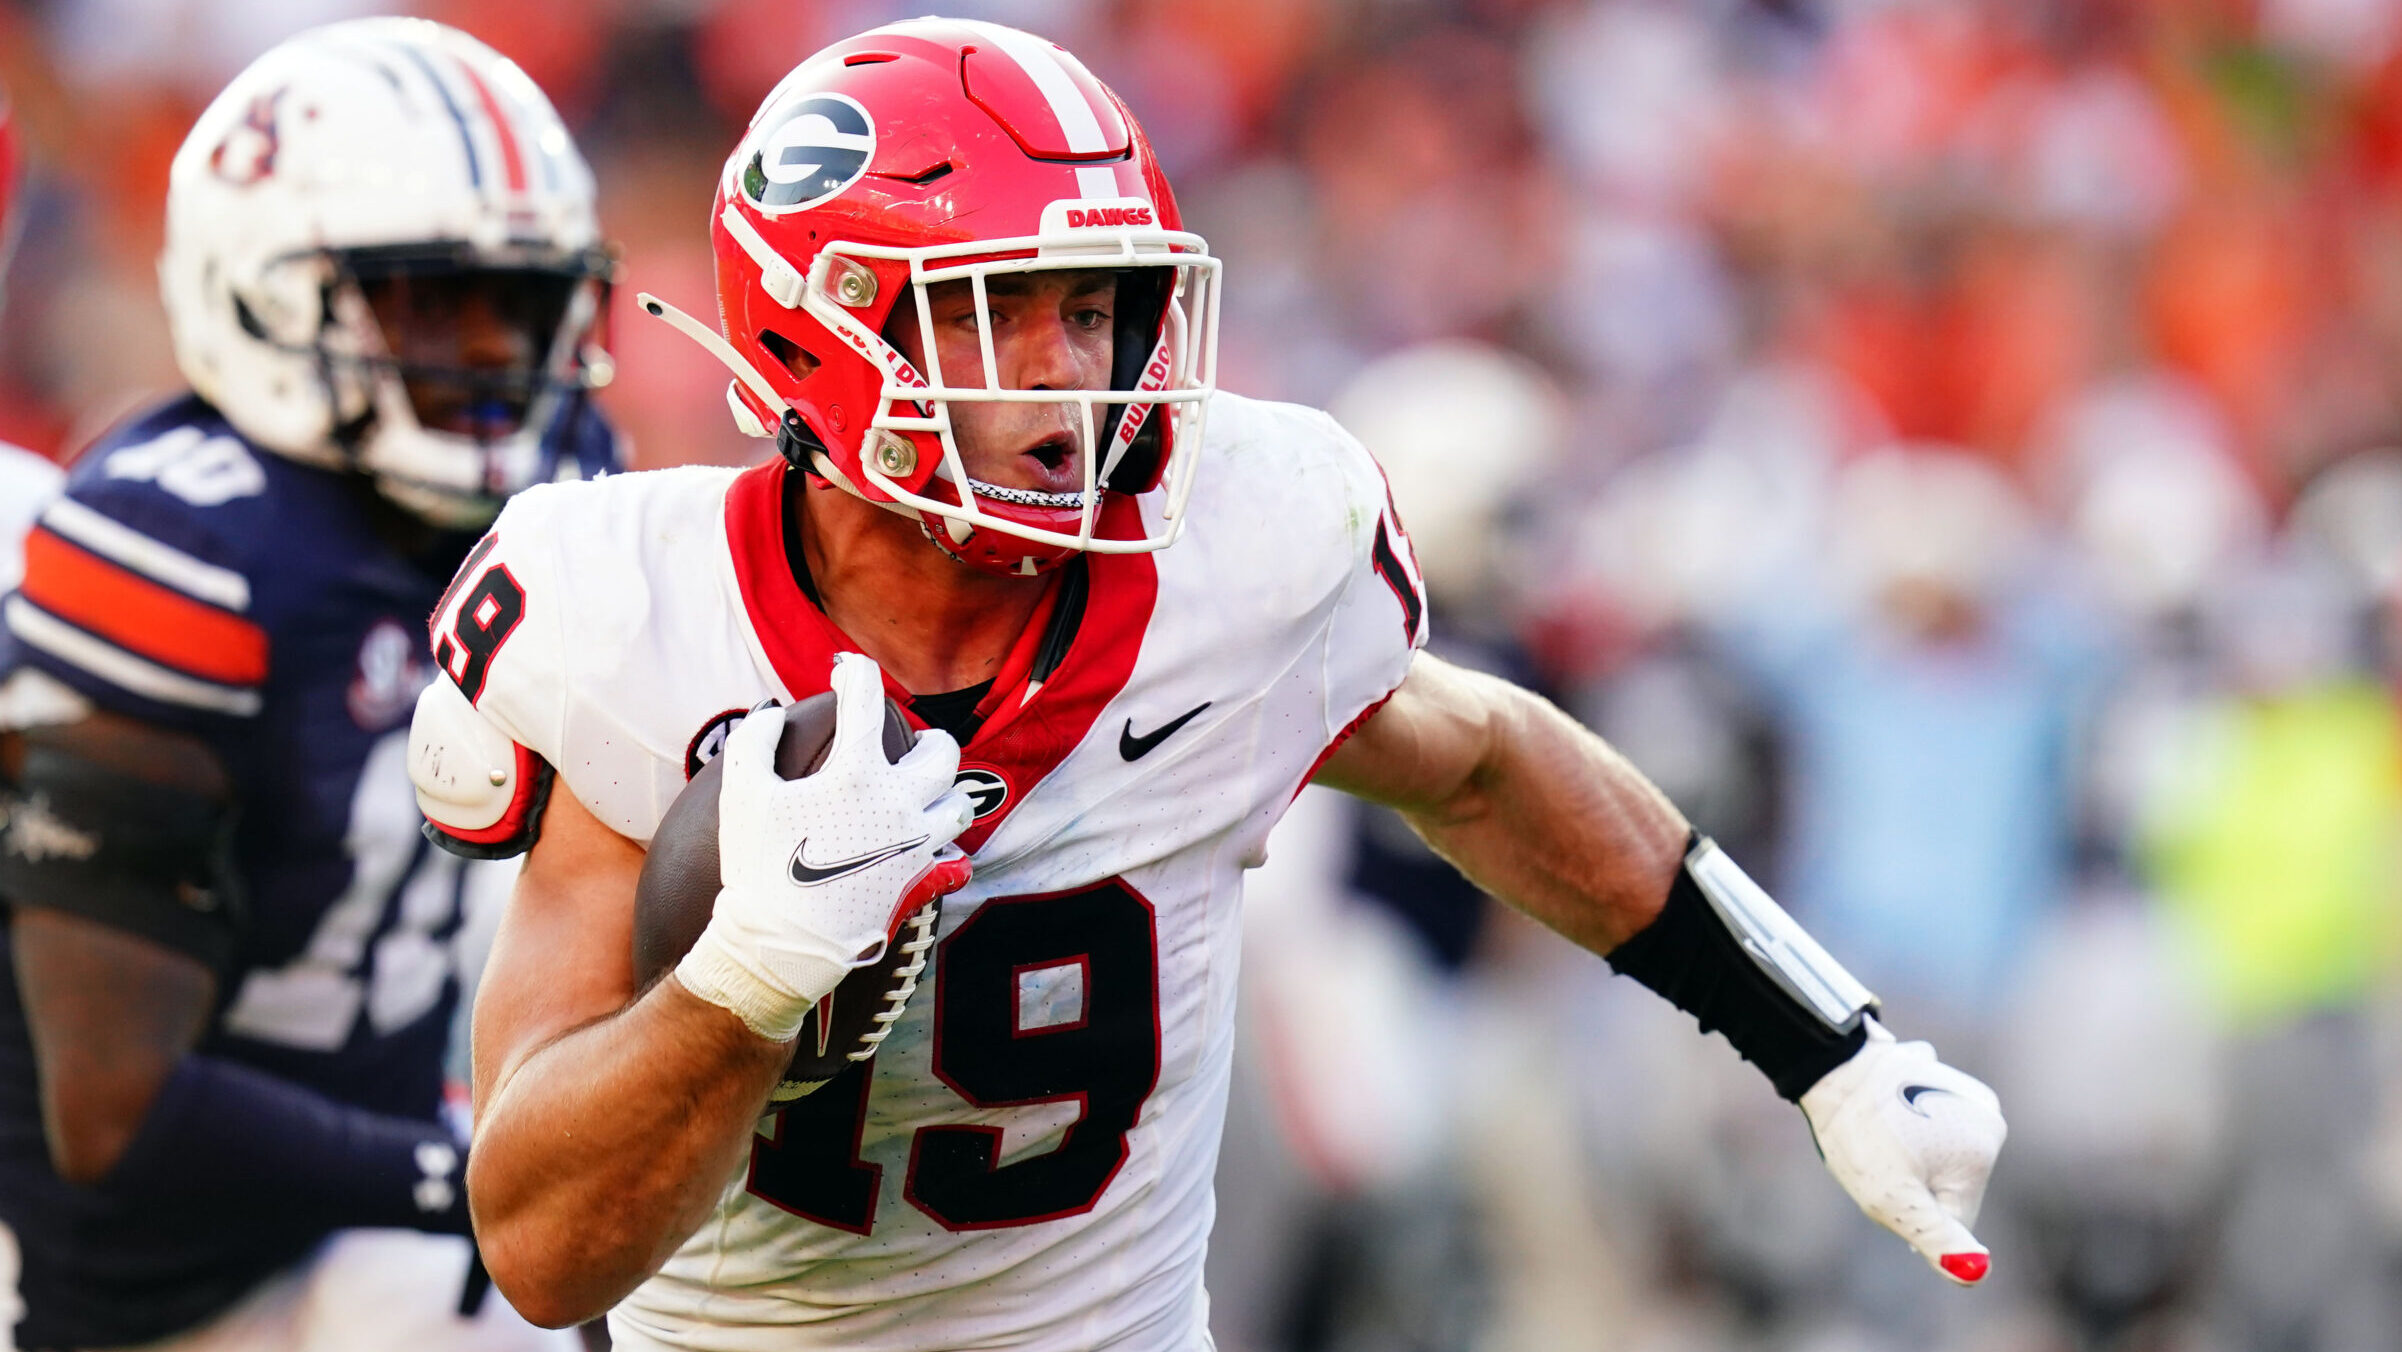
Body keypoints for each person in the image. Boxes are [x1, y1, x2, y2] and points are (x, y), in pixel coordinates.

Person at [411, 19, 2005, 1350]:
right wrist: (742, 984)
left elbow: (1476, 761)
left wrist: (1831, 1049)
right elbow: (542, 1253)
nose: (1067, 379)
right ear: (823, 333)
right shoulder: (626, 619)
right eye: (999, 314)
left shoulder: (1236, 558)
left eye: (1093, 309)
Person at [0, 19, 619, 1350]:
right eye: (421, 297)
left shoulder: (562, 482)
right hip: (125, 1290)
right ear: (266, 291)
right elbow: (113, 1109)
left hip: (379, 1204)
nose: (480, 354)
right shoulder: (180, 553)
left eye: (512, 300)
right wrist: (470, 1168)